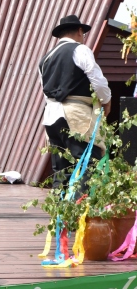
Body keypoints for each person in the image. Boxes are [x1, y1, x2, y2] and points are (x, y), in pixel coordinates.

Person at [39, 14, 111, 192]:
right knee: (88, 161)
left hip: (51, 115)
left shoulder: (45, 59)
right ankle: (80, 211)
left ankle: (60, 212)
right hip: (75, 112)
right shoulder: (80, 49)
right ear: (79, 31)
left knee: (61, 168)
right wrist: (106, 101)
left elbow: (45, 89)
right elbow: (98, 81)